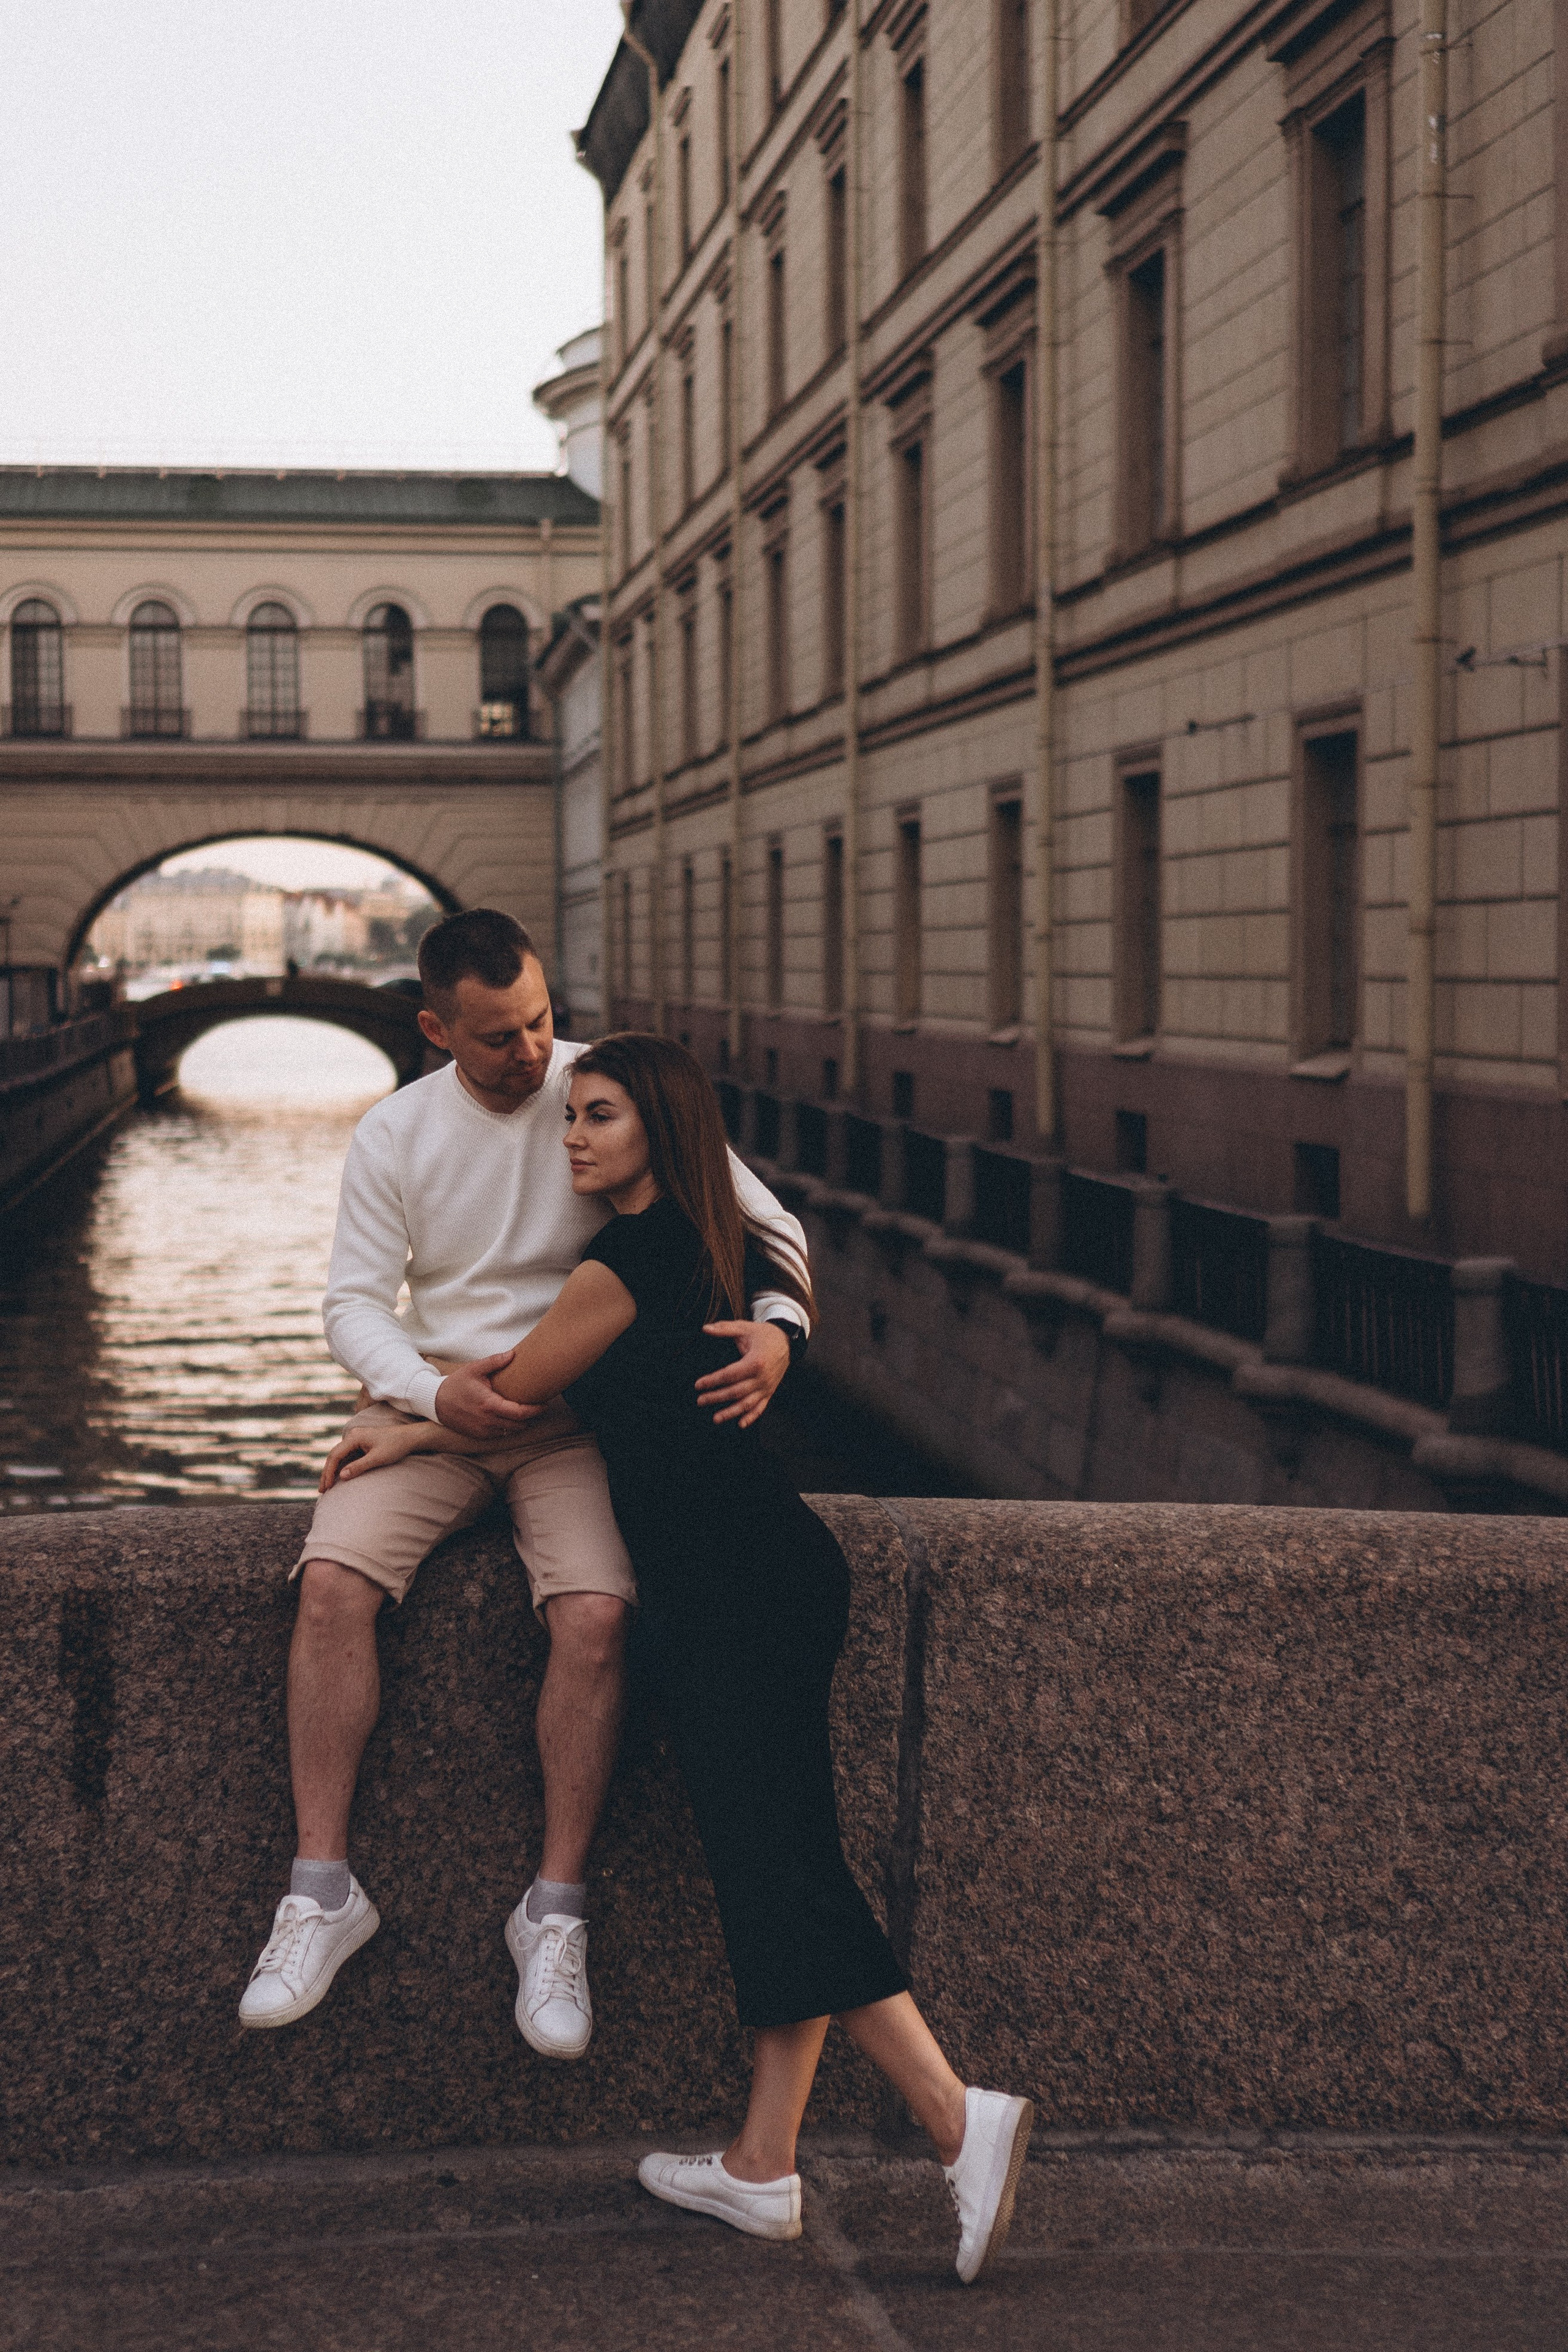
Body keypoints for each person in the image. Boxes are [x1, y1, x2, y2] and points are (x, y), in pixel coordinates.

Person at [318, 1031, 1035, 2286]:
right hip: (764, 1570)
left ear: (659, 1127)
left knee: (781, 1862)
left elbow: (514, 1399)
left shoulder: (615, 1267)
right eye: (569, 1119)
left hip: (731, 1591)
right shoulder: (713, 1251)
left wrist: (401, 1430)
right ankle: (763, 2167)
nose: (573, 1137)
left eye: (597, 1116)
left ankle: (951, 2114)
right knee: (779, 1854)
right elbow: (598, 1397)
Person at [239, 914, 810, 2055]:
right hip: (430, 1407)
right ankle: (321, 1894)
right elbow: (353, 1303)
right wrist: (427, 1396)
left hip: (569, 1420)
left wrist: (781, 1332)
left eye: (544, 1018)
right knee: (331, 1587)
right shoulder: (396, 1130)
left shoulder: (602, 1093)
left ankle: (553, 1917)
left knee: (597, 1615)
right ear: (435, 1027)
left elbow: (767, 1225)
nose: (536, 1053)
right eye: (501, 1036)